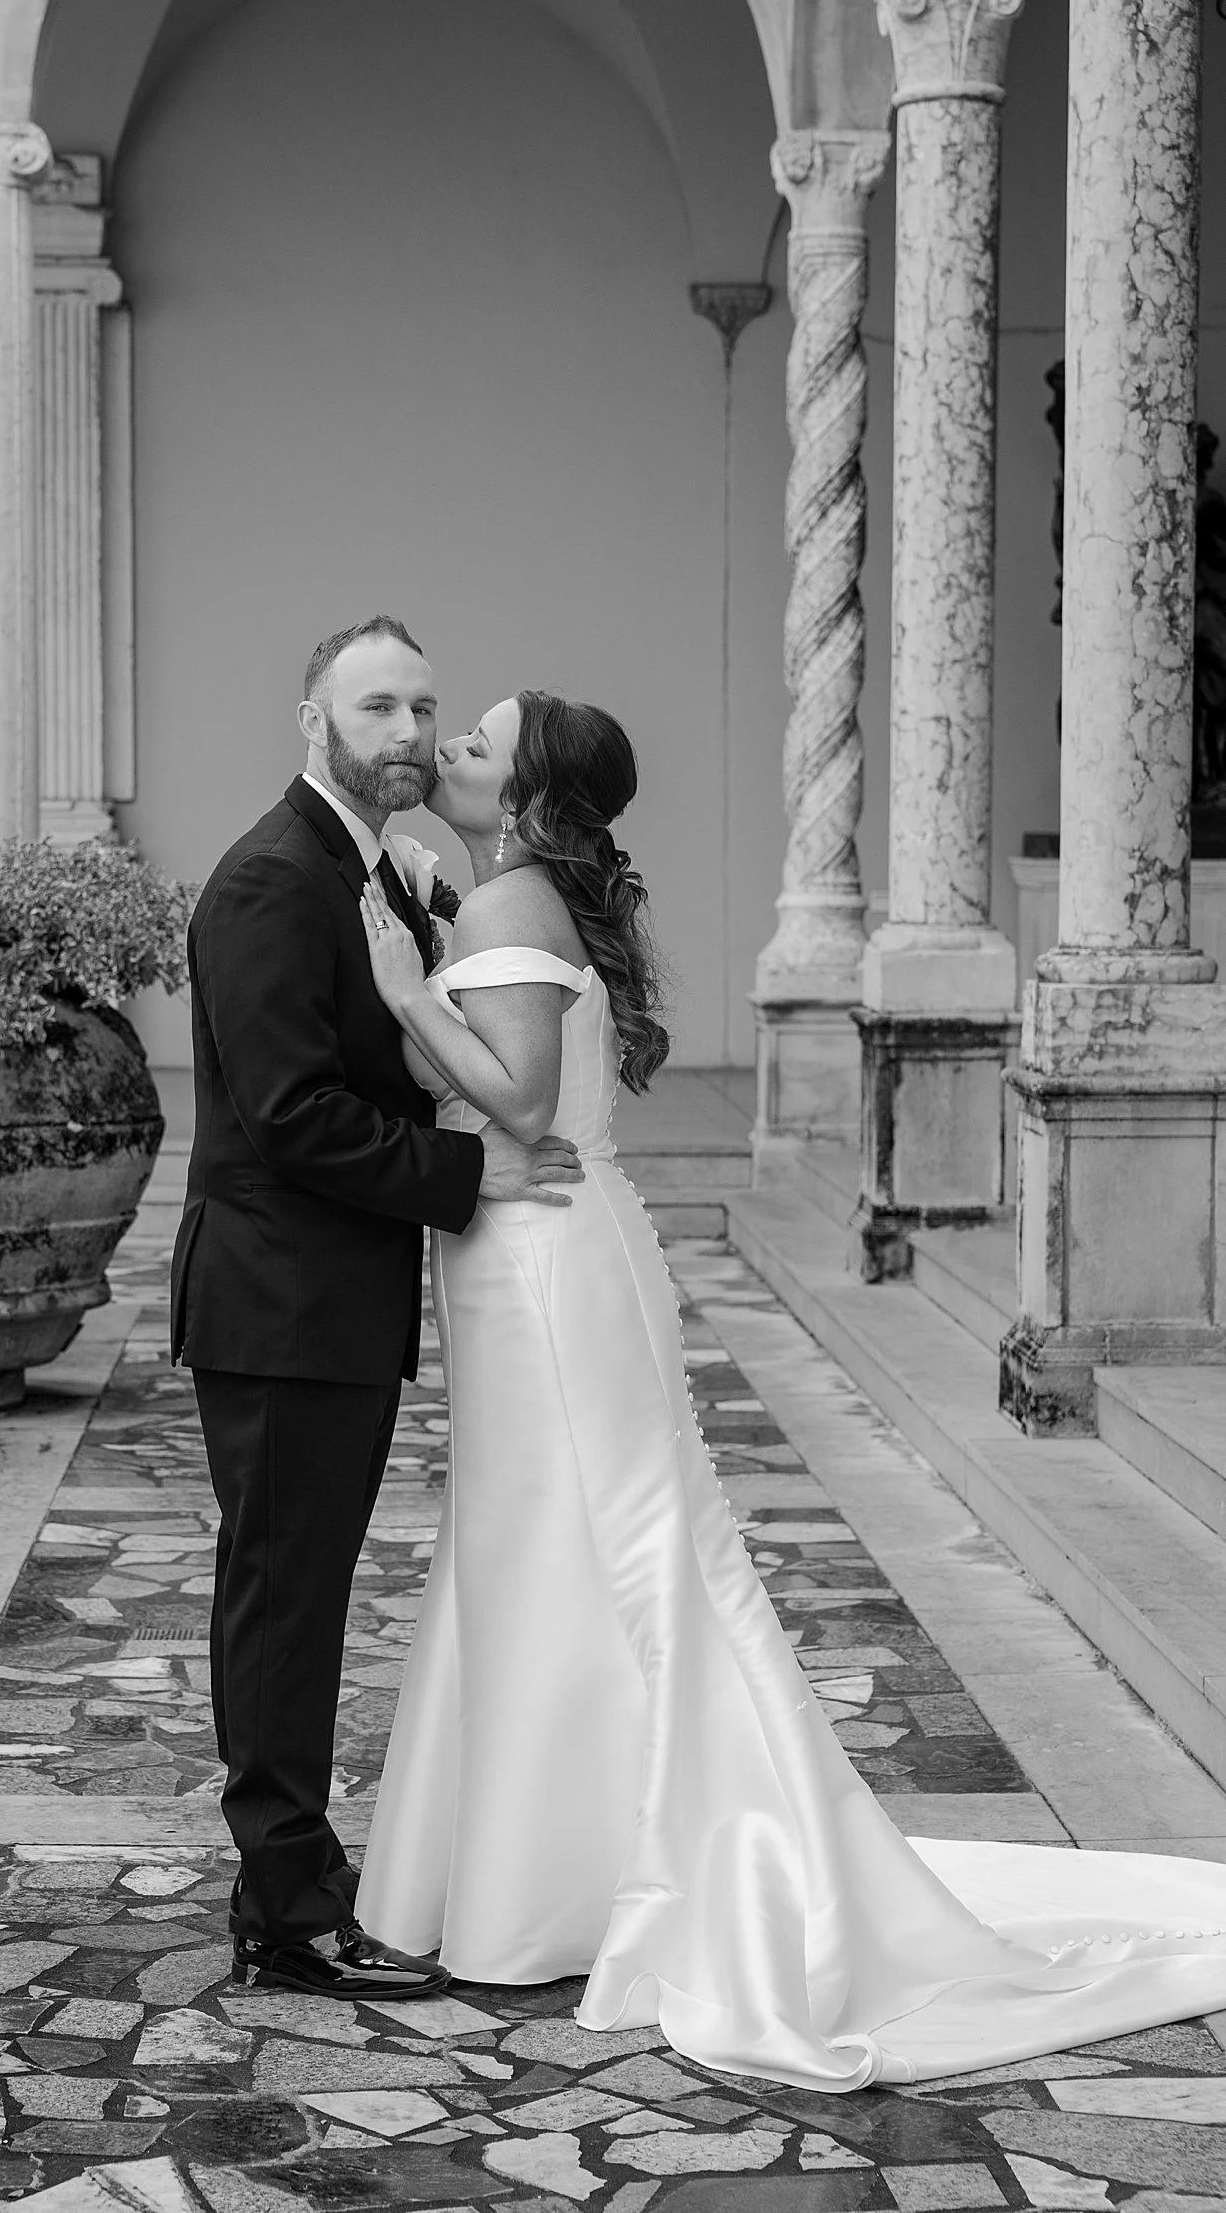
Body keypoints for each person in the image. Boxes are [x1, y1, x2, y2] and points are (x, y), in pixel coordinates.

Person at [353, 686, 1226, 2089]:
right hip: (528, 1253)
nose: (449, 741)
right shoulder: (497, 895)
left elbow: (516, 1101)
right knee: (541, 1551)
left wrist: (406, 988)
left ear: (526, 795)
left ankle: (614, 1874)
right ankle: (558, 1867)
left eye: (479, 740)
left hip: (545, 1268)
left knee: (602, 1552)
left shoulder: (510, 904)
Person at [171, 619, 583, 2003]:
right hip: (278, 1306)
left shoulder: (377, 871)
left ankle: (296, 1886)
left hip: (331, 1303)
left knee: (306, 1593)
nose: (408, 732)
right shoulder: (271, 882)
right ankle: (287, 1910)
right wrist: (470, 1173)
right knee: (283, 1601)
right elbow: (290, 1116)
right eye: (375, 707)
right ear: (314, 719)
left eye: (422, 705)